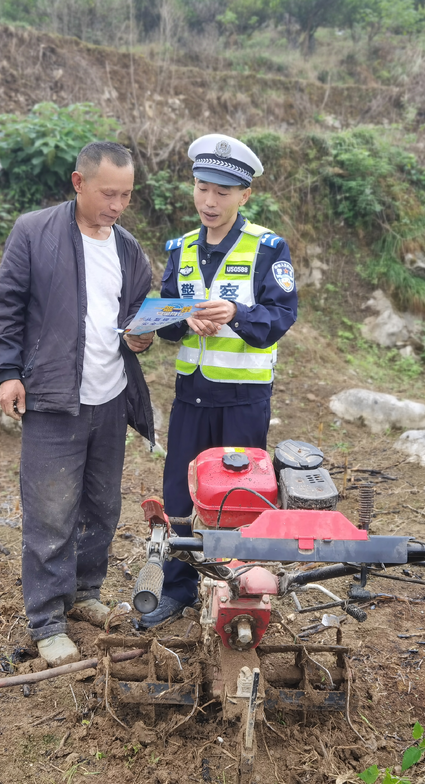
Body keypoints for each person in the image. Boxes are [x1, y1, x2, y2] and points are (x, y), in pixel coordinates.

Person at [0, 141, 156, 666]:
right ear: (79, 183)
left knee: (102, 507)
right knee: (51, 512)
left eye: (126, 195)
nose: (117, 205)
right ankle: (47, 617)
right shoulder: (34, 232)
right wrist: (7, 372)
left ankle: (85, 593)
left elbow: (139, 316)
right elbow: (6, 305)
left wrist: (143, 338)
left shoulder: (128, 248)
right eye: (109, 193)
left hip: (109, 398)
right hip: (55, 397)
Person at [141, 134, 298, 628]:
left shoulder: (267, 248)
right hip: (191, 395)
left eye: (223, 192)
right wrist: (181, 318)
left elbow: (279, 316)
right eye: (203, 188)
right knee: (180, 495)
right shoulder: (181, 248)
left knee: (240, 495)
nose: (210, 202)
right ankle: (178, 588)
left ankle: (236, 586)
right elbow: (163, 316)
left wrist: (235, 312)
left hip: (243, 398)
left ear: (244, 195)